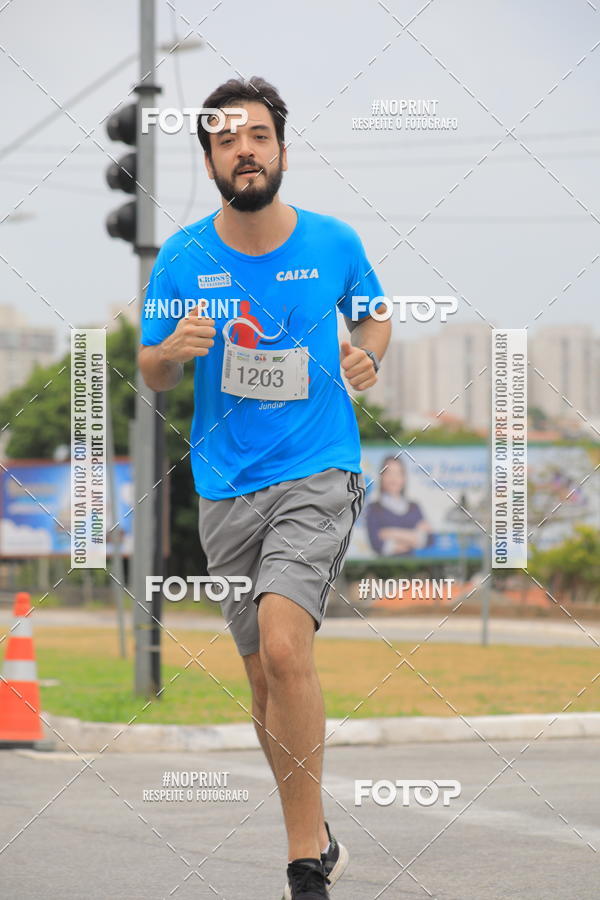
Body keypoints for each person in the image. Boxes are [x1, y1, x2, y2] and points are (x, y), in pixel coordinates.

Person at [139, 76, 391, 900]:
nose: (243, 150)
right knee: (261, 677)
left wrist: (367, 354)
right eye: (225, 140)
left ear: (281, 147)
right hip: (224, 484)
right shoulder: (182, 259)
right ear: (209, 158)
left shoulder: (332, 241)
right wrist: (171, 350)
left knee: (287, 648)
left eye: (257, 136)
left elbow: (375, 315)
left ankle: (300, 869)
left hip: (319, 469)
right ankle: (314, 827)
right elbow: (152, 373)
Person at [365, 456, 430, 556]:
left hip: (414, 565)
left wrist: (391, 533)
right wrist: (413, 537)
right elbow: (377, 544)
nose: (393, 478)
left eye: (398, 473)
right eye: (388, 473)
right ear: (381, 476)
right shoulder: (374, 509)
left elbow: (428, 540)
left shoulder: (414, 507)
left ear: (404, 478)